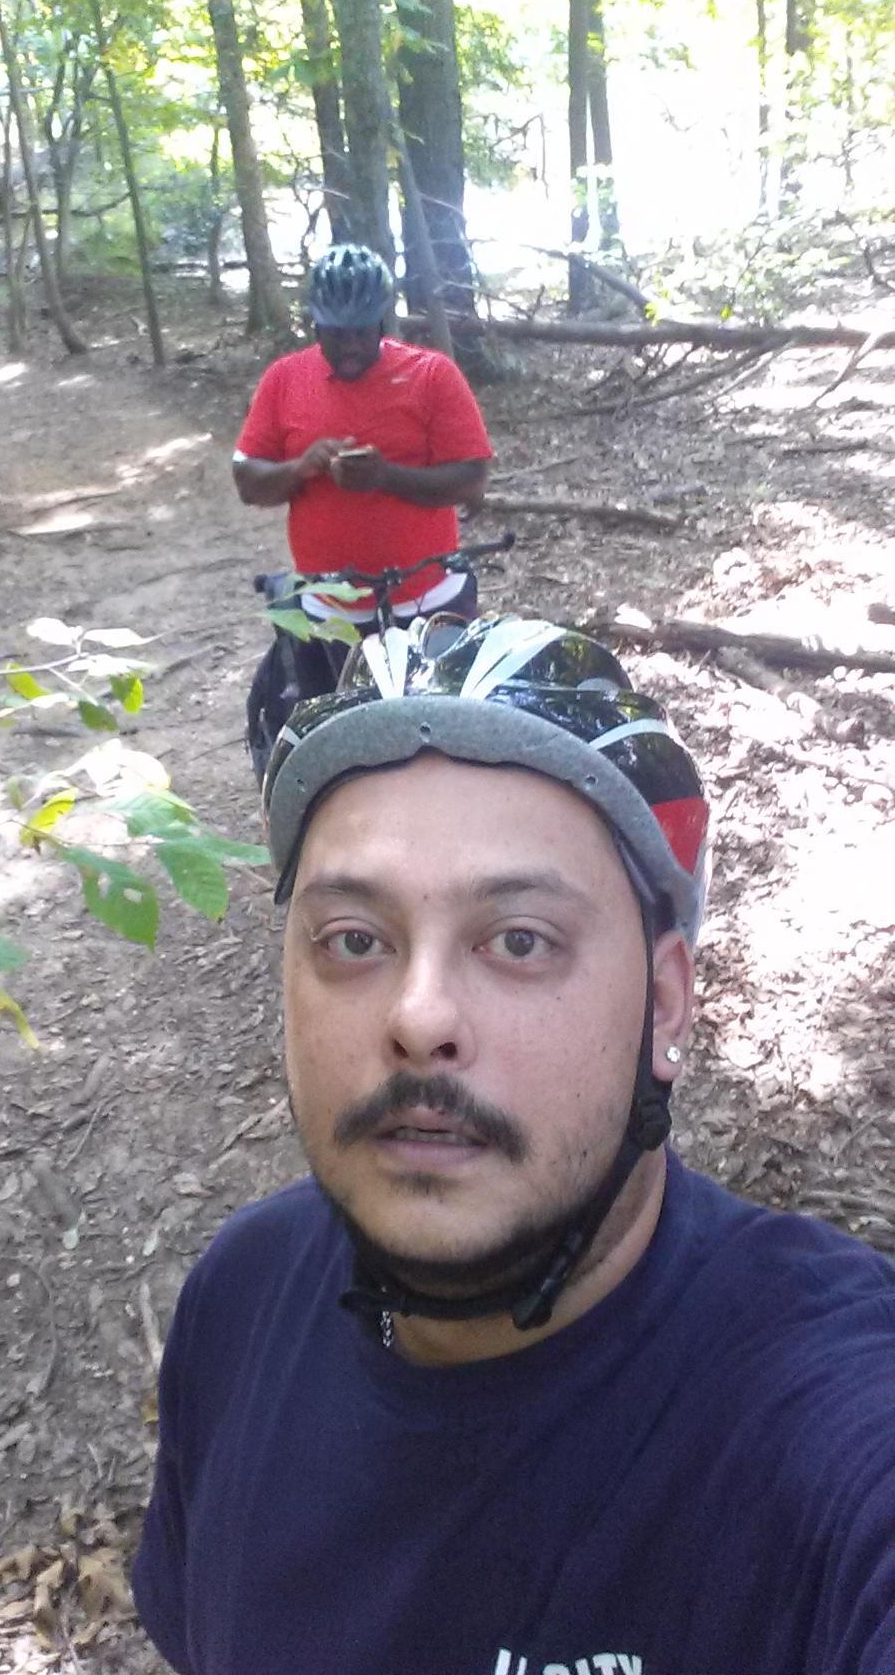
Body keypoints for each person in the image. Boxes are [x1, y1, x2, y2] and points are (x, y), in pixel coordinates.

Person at [134, 613, 895, 1675]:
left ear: (667, 1007)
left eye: (520, 941)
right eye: (354, 940)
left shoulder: (821, 1420)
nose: (420, 1015)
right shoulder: (241, 1301)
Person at [233, 242, 493, 678]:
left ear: (382, 322)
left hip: (428, 600)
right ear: (315, 325)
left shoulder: (431, 375)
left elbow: (472, 478)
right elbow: (246, 479)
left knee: (440, 736)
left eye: (361, 331)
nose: (350, 344)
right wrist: (302, 467)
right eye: (337, 333)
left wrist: (385, 477)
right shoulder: (285, 379)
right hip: (328, 609)